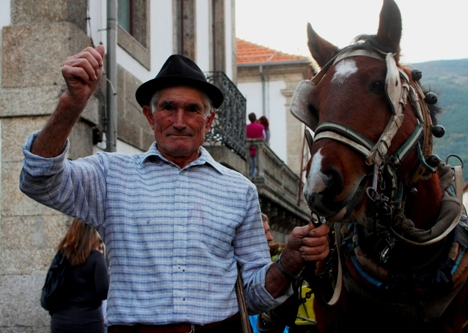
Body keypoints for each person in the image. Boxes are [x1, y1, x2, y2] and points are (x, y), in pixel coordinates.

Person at [19, 45, 331, 332]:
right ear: (149, 116)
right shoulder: (110, 175)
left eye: (192, 109)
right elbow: (39, 179)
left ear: (209, 121)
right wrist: (71, 105)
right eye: (168, 107)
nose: (179, 121)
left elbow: (253, 295)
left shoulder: (240, 190)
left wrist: (290, 260)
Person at [50, 219, 109, 333]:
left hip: (60, 321)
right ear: (92, 234)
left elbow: (50, 286)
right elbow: (103, 291)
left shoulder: (62, 255)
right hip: (88, 322)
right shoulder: (95, 257)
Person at [246, 112, 266, 179]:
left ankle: (252, 176)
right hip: (257, 150)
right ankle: (255, 176)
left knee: (251, 165)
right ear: (255, 118)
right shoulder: (261, 127)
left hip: (249, 150)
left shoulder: (247, 127)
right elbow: (264, 137)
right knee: (257, 164)